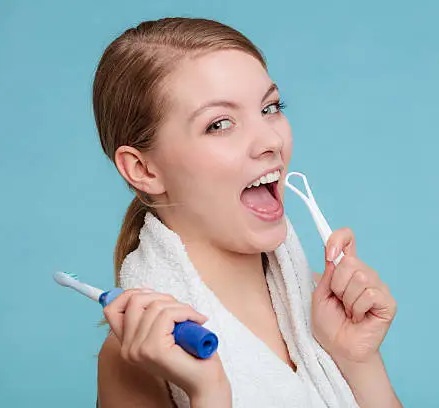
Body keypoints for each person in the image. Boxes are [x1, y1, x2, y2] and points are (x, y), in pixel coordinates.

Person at [94, 17, 401, 408]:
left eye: (271, 107)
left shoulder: (322, 307)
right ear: (144, 169)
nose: (270, 140)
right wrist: (209, 393)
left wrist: (358, 361)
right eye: (220, 124)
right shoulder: (138, 357)